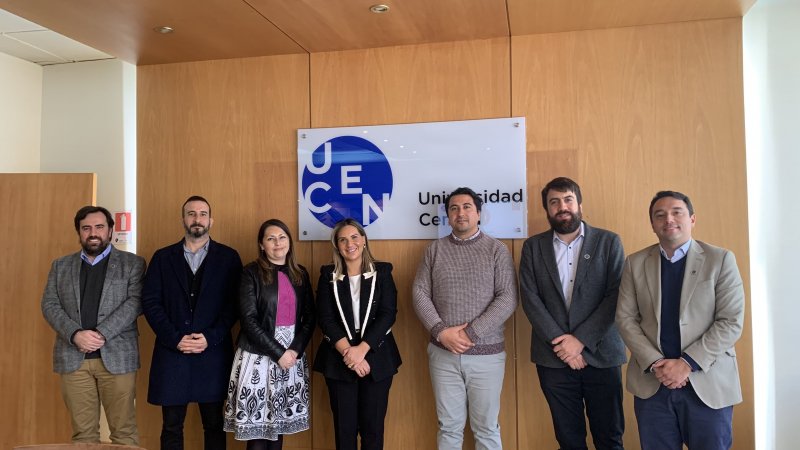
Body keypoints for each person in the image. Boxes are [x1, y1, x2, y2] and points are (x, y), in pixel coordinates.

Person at [616, 190, 745, 450]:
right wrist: (656, 363)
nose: (669, 219)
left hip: (707, 384)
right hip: (654, 384)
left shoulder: (720, 259)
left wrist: (687, 363)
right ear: (652, 223)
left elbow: (731, 321)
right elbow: (625, 318)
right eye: (659, 215)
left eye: (677, 212)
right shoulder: (635, 263)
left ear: (692, 219)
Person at [519, 177, 626, 450]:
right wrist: (562, 343)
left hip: (601, 354)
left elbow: (616, 296)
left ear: (579, 204)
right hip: (554, 359)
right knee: (568, 440)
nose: (562, 206)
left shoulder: (608, 241)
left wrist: (579, 341)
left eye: (567, 199)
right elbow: (530, 298)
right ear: (547, 209)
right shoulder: (533, 247)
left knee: (610, 438)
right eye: (554, 202)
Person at [412, 187, 518, 450]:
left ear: (479, 213)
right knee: (448, 427)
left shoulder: (497, 250)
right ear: (447, 215)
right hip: (443, 354)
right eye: (454, 208)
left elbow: (507, 299)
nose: (461, 213)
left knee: (486, 428)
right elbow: (419, 292)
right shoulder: (434, 250)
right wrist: (441, 332)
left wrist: (469, 334)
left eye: (467, 207)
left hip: (487, 356)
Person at [142, 195, 242, 450]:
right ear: (183, 219)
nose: (197, 219)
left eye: (202, 214)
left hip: (213, 352)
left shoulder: (229, 258)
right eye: (191, 213)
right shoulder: (162, 258)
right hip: (172, 352)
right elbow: (151, 303)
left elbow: (234, 305)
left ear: (211, 219)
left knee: (214, 424)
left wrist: (210, 337)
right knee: (172, 426)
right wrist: (175, 338)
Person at [41, 205, 145, 445]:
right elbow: (49, 304)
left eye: (99, 227)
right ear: (79, 232)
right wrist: (75, 334)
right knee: (83, 435)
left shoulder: (133, 264)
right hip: (73, 359)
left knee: (124, 433)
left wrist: (100, 334)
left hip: (118, 359)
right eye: (86, 228)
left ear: (110, 230)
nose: (93, 233)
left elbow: (135, 303)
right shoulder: (60, 266)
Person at [223, 219, 315, 450]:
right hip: (258, 358)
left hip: (291, 359)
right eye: (270, 238)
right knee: (257, 435)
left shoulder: (300, 273)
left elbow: (310, 317)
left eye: (282, 237)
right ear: (261, 244)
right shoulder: (250, 273)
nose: (277, 243)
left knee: (278, 429)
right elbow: (249, 320)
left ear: (289, 242)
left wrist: (294, 351)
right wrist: (278, 353)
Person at [313, 218, 402, 450]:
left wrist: (361, 351)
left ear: (363, 240)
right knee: (345, 432)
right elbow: (326, 319)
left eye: (354, 237)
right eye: (342, 239)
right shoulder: (327, 276)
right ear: (337, 245)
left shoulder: (382, 272)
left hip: (377, 359)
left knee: (373, 431)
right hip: (339, 361)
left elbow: (388, 314)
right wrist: (349, 354)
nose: (349, 243)